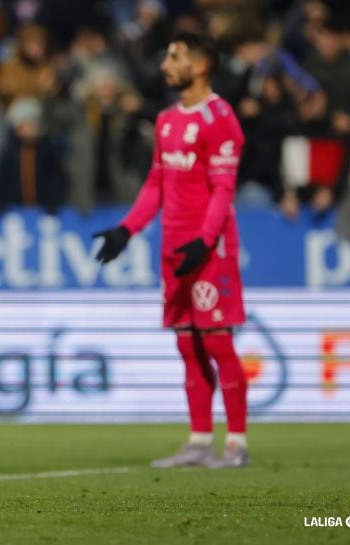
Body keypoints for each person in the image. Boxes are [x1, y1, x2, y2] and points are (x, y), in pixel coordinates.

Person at [93, 31, 249, 469]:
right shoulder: (166, 121)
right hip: (175, 249)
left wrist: (205, 240)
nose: (165, 64)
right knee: (187, 345)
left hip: (210, 250)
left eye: (175, 56)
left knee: (218, 343)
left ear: (200, 66)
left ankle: (236, 444)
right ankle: (200, 441)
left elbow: (223, 189)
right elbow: (156, 184)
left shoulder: (221, 119)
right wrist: (127, 230)